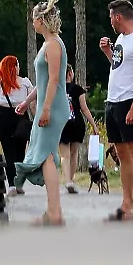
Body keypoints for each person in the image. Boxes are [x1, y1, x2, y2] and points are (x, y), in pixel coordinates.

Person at [12, 0, 71, 226]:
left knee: (47, 155)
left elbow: (55, 80)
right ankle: (52, 210)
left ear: (42, 20)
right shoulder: (48, 44)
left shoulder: (54, 45)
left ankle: (54, 212)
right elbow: (43, 81)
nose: (32, 22)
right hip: (47, 105)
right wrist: (28, 101)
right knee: (45, 154)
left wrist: (45, 110)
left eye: (34, 19)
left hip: (53, 107)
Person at [99, 0, 133, 221]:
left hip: (129, 102)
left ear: (118, 17)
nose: (110, 20)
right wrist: (108, 53)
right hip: (113, 102)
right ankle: (126, 203)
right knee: (122, 154)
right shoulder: (121, 38)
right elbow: (119, 67)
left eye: (111, 16)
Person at [0, 55, 34, 195]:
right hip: (21, 118)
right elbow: (32, 105)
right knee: (20, 152)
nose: (19, 68)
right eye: (18, 65)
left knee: (8, 152)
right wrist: (37, 118)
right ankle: (19, 184)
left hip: (4, 118)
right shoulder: (25, 83)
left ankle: (12, 186)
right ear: (14, 67)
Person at [57, 64, 98, 194]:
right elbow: (84, 109)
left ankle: (67, 180)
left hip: (62, 123)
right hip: (77, 123)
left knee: (64, 154)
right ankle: (72, 179)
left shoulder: (57, 89)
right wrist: (94, 124)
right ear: (70, 74)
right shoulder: (78, 89)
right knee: (74, 153)